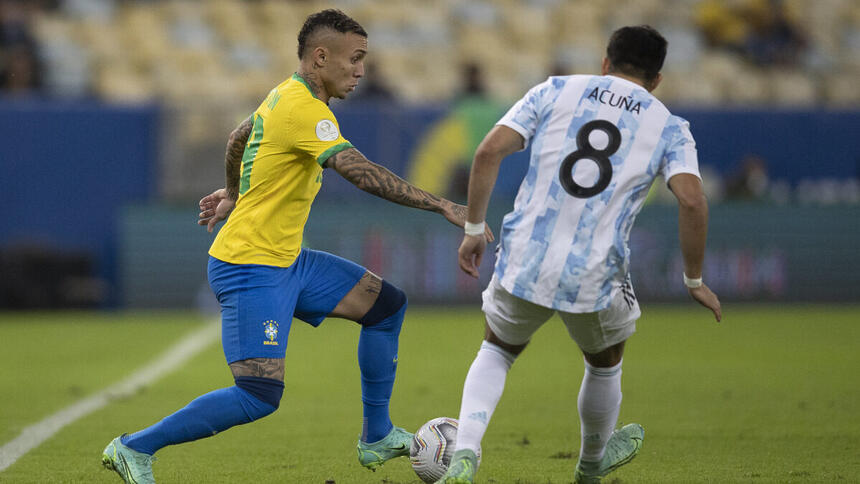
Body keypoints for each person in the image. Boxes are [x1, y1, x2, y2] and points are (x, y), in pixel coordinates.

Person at [101, 9, 490, 484]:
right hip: (249, 264)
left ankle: (377, 436)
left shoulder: (284, 94)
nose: (361, 70)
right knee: (258, 394)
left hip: (288, 260)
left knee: (386, 306)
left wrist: (232, 193)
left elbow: (238, 136)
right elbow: (357, 170)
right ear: (320, 57)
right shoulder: (303, 108)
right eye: (355, 58)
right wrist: (441, 205)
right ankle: (132, 447)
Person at [438, 25, 722, 484]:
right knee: (604, 362)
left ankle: (465, 452)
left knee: (497, 348)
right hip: (594, 271)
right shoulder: (669, 126)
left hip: (526, 255)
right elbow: (691, 200)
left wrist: (473, 228)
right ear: (656, 80)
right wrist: (694, 279)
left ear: (606, 63)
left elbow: (489, 151)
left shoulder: (556, 89)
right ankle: (590, 465)